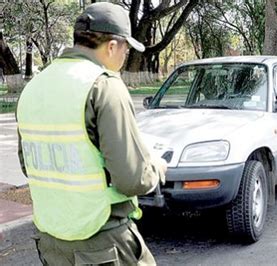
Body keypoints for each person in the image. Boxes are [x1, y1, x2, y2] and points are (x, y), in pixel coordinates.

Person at [16, 3, 166, 265]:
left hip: (52, 243)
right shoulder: (104, 86)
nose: (125, 55)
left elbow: (28, 165)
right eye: (126, 48)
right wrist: (155, 167)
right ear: (111, 46)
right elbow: (132, 179)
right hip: (102, 243)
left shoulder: (33, 88)